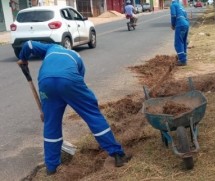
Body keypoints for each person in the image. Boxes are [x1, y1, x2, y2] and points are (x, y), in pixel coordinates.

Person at [17, 40, 132, 175]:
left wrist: (23, 59)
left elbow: (29, 45)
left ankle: (51, 167)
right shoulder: (76, 57)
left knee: (51, 124)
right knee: (92, 115)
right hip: (70, 81)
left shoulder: (51, 48)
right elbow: (78, 82)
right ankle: (117, 155)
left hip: (46, 82)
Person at [170, 0, 189, 66]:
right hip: (186, 24)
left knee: (178, 42)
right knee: (183, 41)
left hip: (180, 24)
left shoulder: (173, 5)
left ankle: (182, 60)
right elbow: (186, 16)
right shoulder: (181, 6)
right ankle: (184, 58)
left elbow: (173, 15)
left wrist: (173, 25)